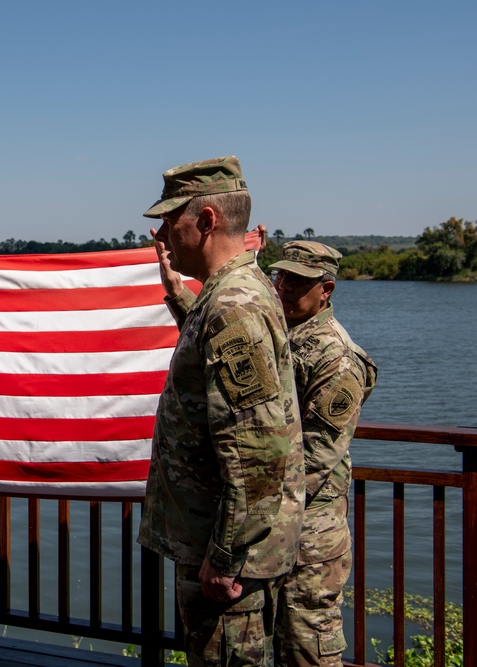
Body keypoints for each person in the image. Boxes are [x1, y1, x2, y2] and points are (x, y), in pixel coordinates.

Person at [137, 156, 305, 666]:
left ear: (207, 220)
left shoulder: (233, 306)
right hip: (223, 543)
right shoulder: (233, 293)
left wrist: (225, 557)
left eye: (172, 220)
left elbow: (257, 449)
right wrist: (175, 292)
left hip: (225, 557)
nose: (163, 234)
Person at [269, 241, 377, 666]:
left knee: (306, 646)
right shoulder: (287, 334)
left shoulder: (337, 356)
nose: (285, 287)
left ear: (326, 289)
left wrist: (257, 510)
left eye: (298, 281)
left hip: (310, 533)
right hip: (278, 522)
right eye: (281, 277)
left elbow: (317, 456)